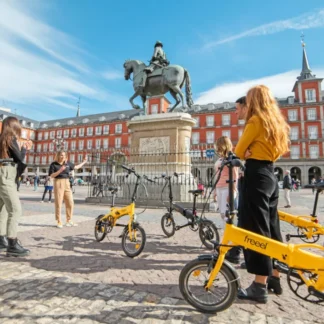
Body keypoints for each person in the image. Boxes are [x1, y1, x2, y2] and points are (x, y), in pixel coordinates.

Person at [234, 85, 290, 303]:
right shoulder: (276, 123)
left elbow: (238, 151)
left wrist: (246, 153)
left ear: (254, 101)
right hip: (270, 175)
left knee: (256, 229)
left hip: (256, 175)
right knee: (271, 227)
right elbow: (278, 151)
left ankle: (259, 285)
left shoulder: (255, 121)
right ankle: (275, 276)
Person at [0, 116, 32, 256]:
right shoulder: (10, 139)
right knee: (15, 209)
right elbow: (19, 158)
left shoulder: (2, 139)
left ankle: (1, 240)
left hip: (2, 173)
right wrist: (24, 149)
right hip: (6, 174)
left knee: (3, 210)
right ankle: (12, 243)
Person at [49, 151, 87, 228]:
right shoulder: (54, 164)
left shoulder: (67, 163)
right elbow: (51, 175)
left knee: (70, 202)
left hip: (67, 182)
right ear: (58, 156)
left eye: (64, 155)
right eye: (61, 155)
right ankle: (59, 221)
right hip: (58, 182)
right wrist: (60, 171)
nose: (62, 157)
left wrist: (84, 162)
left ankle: (69, 220)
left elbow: (76, 167)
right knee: (58, 202)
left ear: (66, 156)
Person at [214, 136, 238, 223]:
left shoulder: (232, 158)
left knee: (226, 213)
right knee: (222, 214)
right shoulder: (220, 158)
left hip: (227, 188)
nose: (217, 148)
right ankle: (230, 231)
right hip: (219, 187)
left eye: (218, 145)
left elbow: (235, 176)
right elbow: (217, 175)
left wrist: (233, 192)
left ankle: (231, 232)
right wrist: (215, 191)